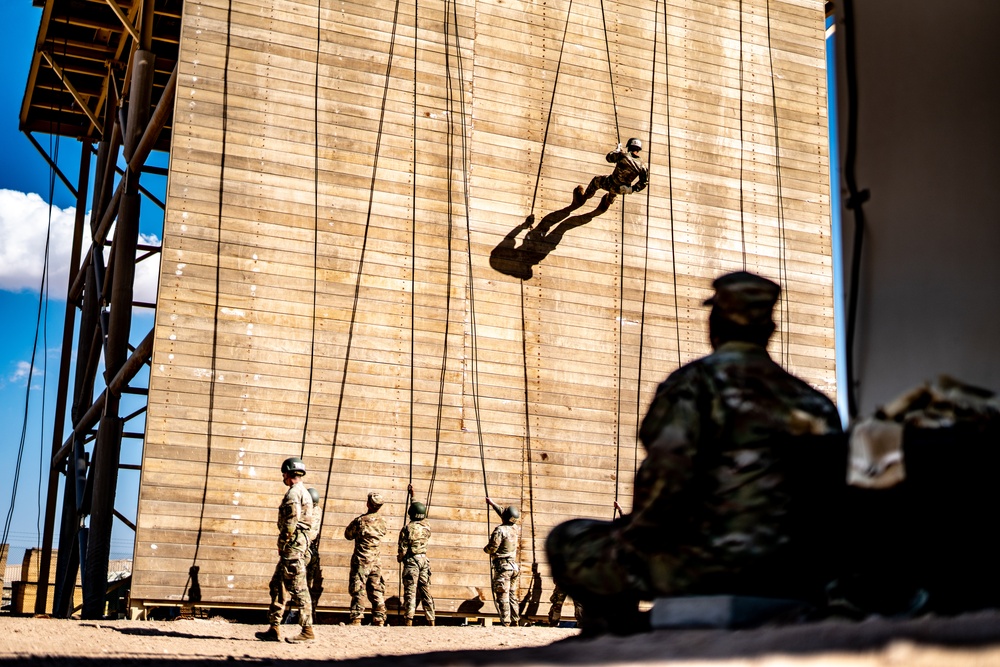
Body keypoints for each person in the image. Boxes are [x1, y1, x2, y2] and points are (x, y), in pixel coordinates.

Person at [546, 271, 843, 635]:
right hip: (795, 570)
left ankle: (614, 635)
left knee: (570, 539)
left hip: (709, 563)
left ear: (715, 323)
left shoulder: (695, 383)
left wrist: (637, 535)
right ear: (769, 328)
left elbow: (668, 471)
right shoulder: (814, 402)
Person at [255, 457, 314, 642]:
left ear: (288, 473)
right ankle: (274, 627)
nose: (283, 476)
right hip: (296, 545)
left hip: (292, 546)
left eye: (284, 473)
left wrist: (282, 544)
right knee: (278, 585)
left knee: (298, 588)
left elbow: (290, 523)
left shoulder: (293, 494)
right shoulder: (303, 492)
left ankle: (307, 630)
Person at [345, 491, 388, 626]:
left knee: (358, 587)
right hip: (376, 560)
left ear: (368, 504)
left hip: (362, 559)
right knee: (376, 588)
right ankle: (379, 618)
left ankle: (357, 617)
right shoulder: (382, 522)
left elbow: (348, 534)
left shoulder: (360, 521)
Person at [572, 138, 648, 212]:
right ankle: (607, 202)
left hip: (610, 183)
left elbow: (609, 158)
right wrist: (632, 189)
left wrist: (617, 150)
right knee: (614, 191)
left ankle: (584, 197)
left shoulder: (623, 155)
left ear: (629, 147)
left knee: (596, 181)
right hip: (622, 189)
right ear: (638, 150)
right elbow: (644, 182)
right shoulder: (642, 165)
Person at [397, 485, 436, 626]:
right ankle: (431, 619)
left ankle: (409, 619)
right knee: (426, 590)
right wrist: (413, 495)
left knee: (410, 590)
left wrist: (400, 558)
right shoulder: (427, 526)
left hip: (412, 561)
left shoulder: (407, 528)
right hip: (424, 560)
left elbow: (403, 548)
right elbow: (418, 509)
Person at [484, 497, 521, 627]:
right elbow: (505, 515)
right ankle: (516, 619)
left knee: (502, 594)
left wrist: (486, 550)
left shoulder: (500, 530)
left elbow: (493, 547)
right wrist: (492, 504)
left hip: (503, 566)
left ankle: (506, 621)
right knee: (512, 595)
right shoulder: (516, 528)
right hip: (514, 567)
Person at [305, 487, 323, 613]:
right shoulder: (318, 511)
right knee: (308, 582)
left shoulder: (306, 511)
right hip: (313, 551)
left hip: (305, 549)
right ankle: (309, 611)